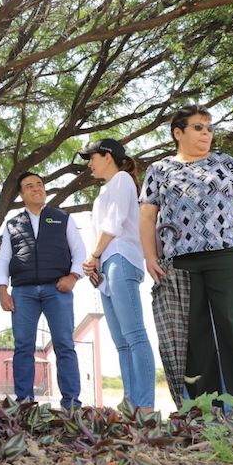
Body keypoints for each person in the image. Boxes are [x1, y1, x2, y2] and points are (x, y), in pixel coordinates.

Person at [140, 104, 233, 416]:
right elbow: (147, 217)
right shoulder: (159, 170)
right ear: (178, 133)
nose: (206, 134)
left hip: (229, 256)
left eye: (209, 128)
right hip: (181, 261)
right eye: (198, 127)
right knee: (194, 340)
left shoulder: (225, 163)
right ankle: (203, 415)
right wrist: (150, 256)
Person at [0, 172, 86, 409]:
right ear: (22, 194)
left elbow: (79, 251)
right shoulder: (12, 224)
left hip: (57, 289)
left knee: (64, 344)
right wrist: (2, 290)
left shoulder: (62, 218)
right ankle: (24, 402)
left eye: (39, 185)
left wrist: (73, 276)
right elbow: (4, 259)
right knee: (23, 346)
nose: (36, 188)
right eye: (29, 186)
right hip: (23, 292)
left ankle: (71, 403)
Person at [79, 139, 156, 410]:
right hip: (106, 265)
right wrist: (94, 262)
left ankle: (144, 406)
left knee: (134, 335)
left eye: (92, 157)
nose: (89, 163)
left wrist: (94, 255)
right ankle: (130, 402)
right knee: (121, 342)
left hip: (121, 260)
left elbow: (115, 222)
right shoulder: (104, 191)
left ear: (108, 156)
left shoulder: (122, 179)